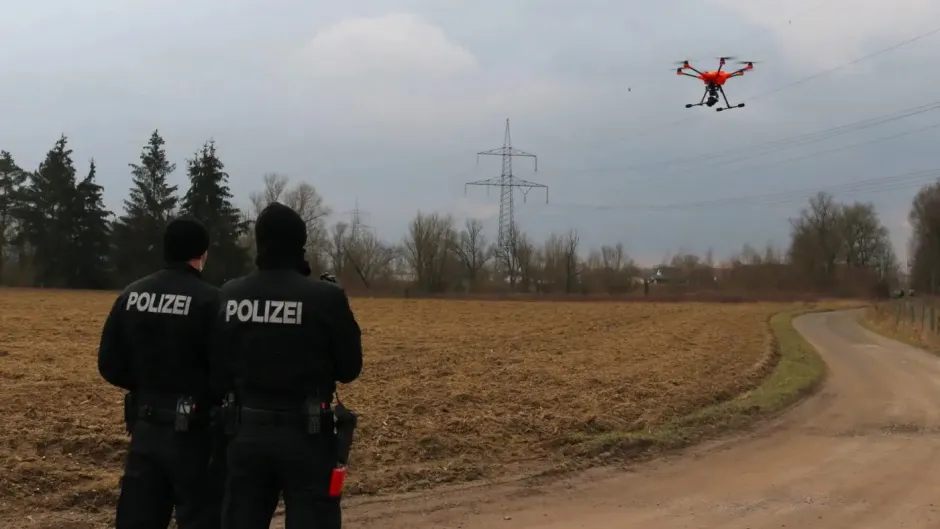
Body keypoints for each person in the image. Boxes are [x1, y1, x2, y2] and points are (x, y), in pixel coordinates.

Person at [212, 202, 362, 529]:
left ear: (260, 241)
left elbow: (216, 366)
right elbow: (350, 369)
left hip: (245, 433)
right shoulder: (326, 298)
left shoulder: (230, 294)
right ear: (300, 243)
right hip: (308, 437)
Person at [97, 215, 222, 529]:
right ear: (202, 253)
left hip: (145, 425)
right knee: (201, 517)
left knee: (138, 517)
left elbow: (109, 364)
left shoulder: (132, 295)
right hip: (195, 431)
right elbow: (226, 368)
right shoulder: (211, 300)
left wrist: (145, 384)